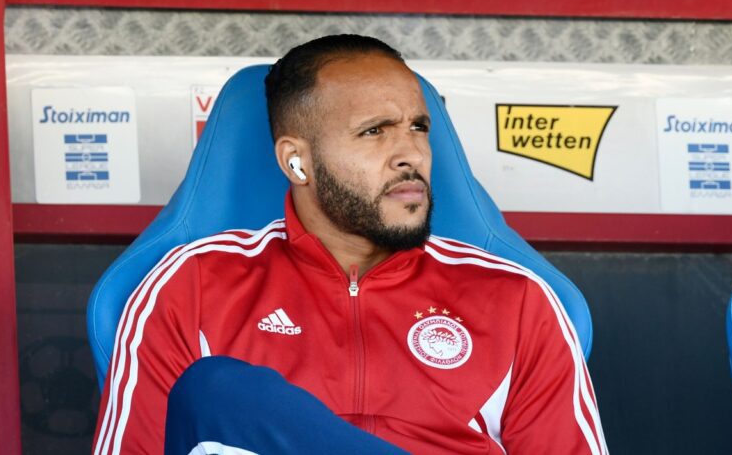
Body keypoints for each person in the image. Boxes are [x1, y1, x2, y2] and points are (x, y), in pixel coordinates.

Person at [92, 34, 607, 455]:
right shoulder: (193, 286)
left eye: (418, 127)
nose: (411, 153)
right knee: (219, 392)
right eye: (374, 132)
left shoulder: (516, 299)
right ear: (296, 161)